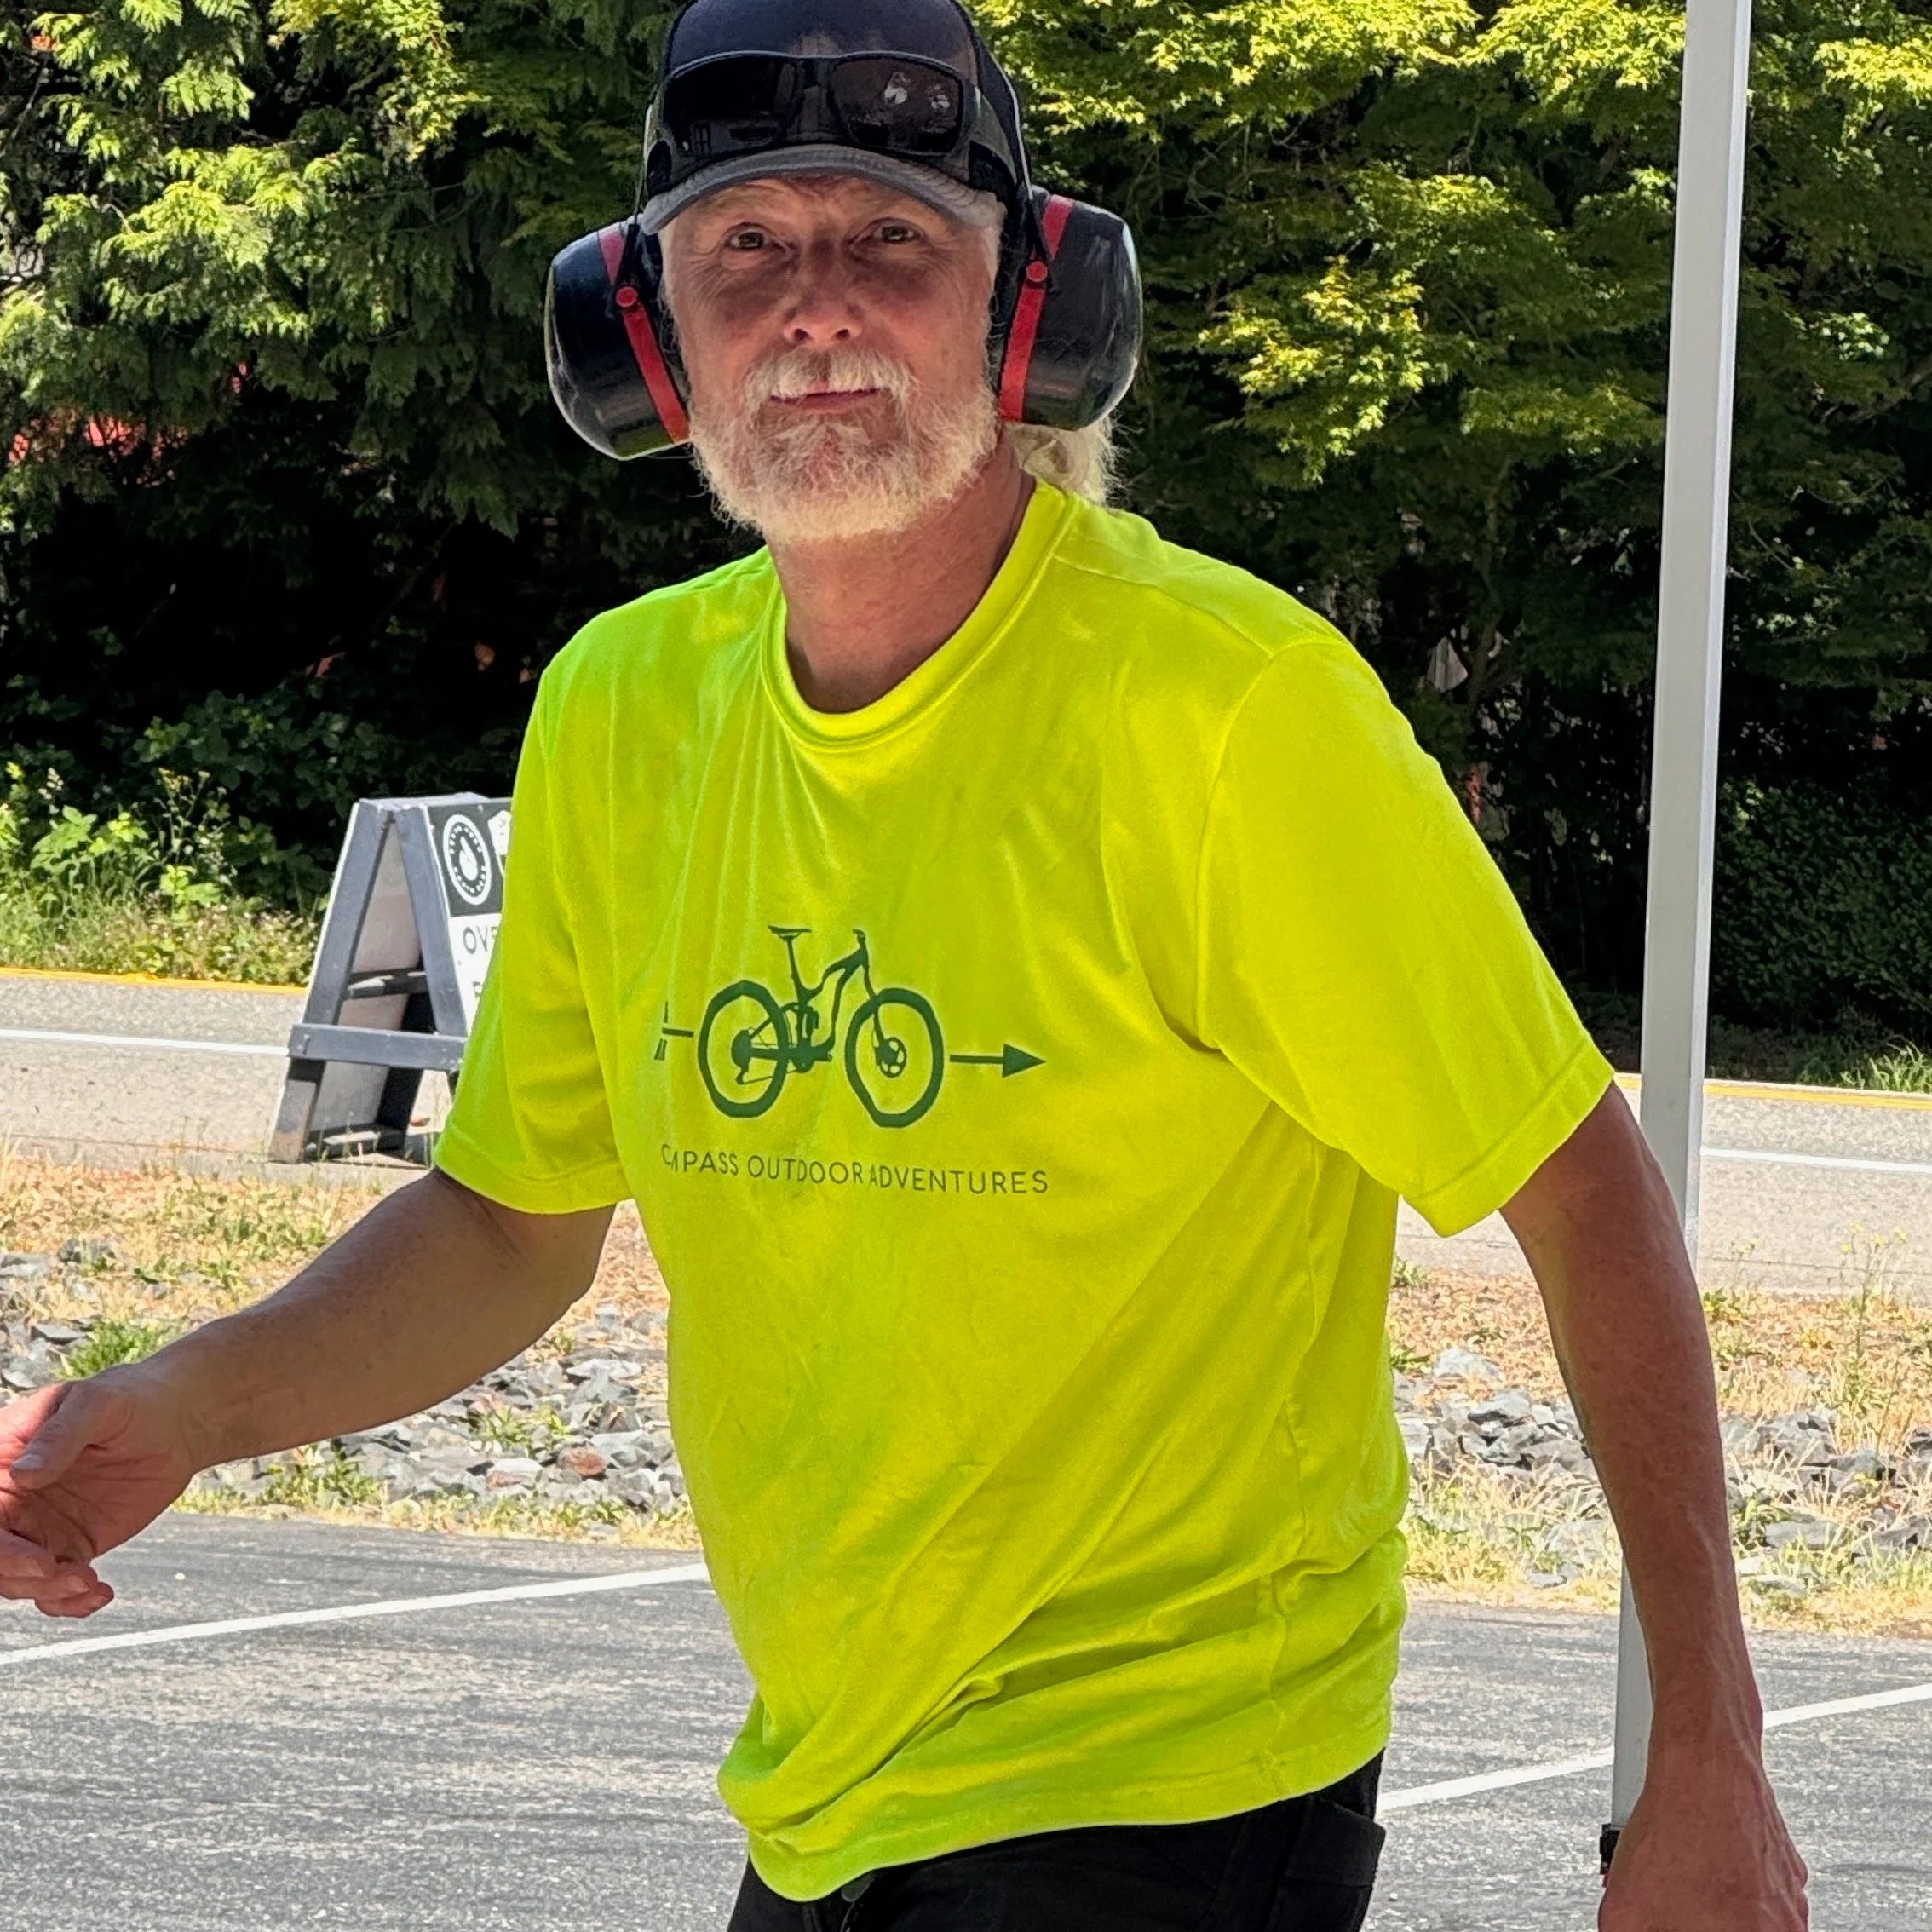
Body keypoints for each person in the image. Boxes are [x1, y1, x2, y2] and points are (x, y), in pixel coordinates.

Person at [0, 1, 1808, 1926]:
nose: (817, 308)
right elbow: (510, 1220)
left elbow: (1576, 1182)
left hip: (1173, 1782)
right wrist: (180, 1399)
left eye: (890, 244)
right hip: (830, 1792)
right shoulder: (622, 709)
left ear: (1030, 318)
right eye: (747, 251)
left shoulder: (1230, 713)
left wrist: (1708, 1748)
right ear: (647, 336)